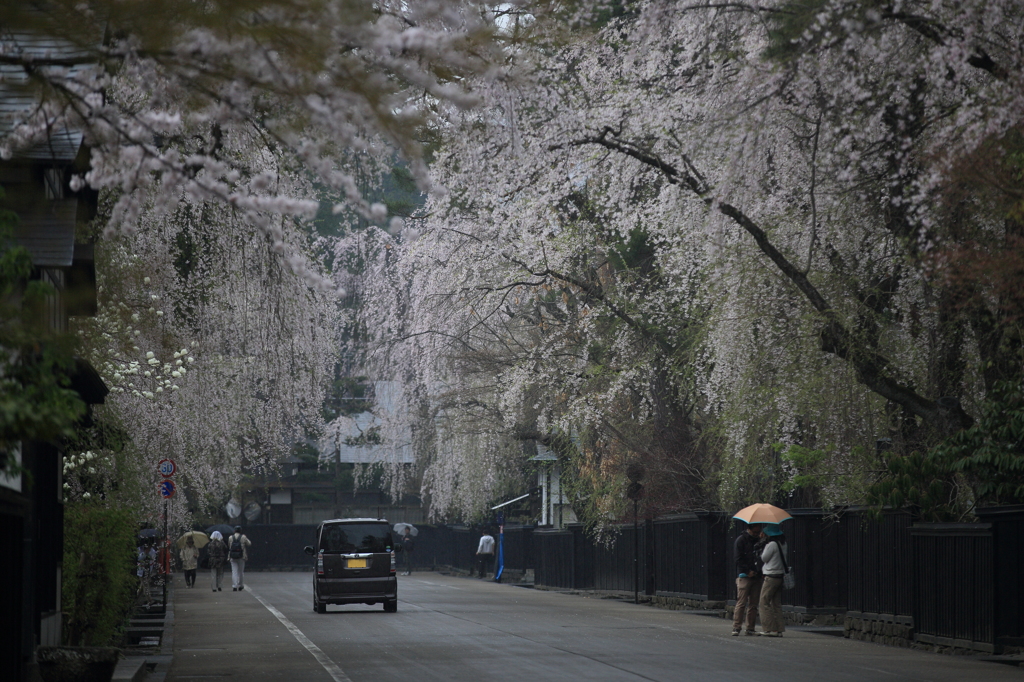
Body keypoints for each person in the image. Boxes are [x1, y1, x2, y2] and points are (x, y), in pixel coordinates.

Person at [732, 523, 763, 636]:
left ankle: (750, 628)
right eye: (754, 532)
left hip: (756, 575)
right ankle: (737, 626)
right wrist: (746, 571)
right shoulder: (741, 540)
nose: (756, 534)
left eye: (757, 532)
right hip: (744, 576)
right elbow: (738, 558)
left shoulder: (760, 541)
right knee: (741, 602)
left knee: (753, 604)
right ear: (748, 530)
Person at [758, 525, 788, 637]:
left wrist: (763, 546)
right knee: (776, 603)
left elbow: (764, 558)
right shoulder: (783, 543)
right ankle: (779, 629)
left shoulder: (771, 544)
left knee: (764, 602)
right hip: (780, 576)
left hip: (771, 576)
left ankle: (769, 628)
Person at [227, 526, 252, 591]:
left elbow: (229, 545)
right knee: (241, 572)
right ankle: (241, 585)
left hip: (232, 556)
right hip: (241, 556)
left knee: (234, 571)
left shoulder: (230, 537)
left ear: (234, 531)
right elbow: (249, 544)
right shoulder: (243, 537)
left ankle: (234, 586)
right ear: (240, 531)